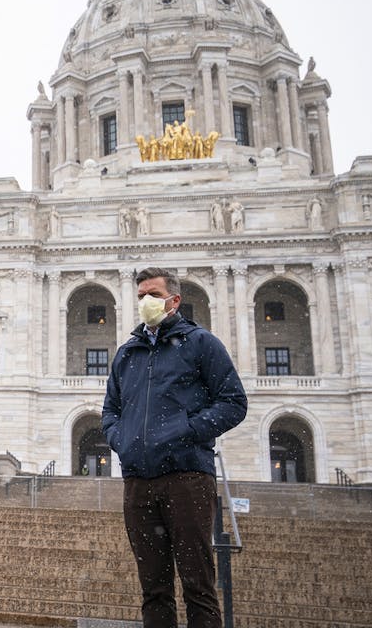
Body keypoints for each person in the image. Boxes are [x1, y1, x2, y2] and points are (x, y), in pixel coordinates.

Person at [101, 267, 247, 628]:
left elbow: (233, 402)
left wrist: (186, 430)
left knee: (198, 586)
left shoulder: (201, 343)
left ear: (174, 300)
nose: (144, 303)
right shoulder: (127, 353)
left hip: (187, 477)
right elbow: (109, 411)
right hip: (138, 481)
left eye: (152, 295)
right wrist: (123, 442)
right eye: (140, 297)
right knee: (153, 589)